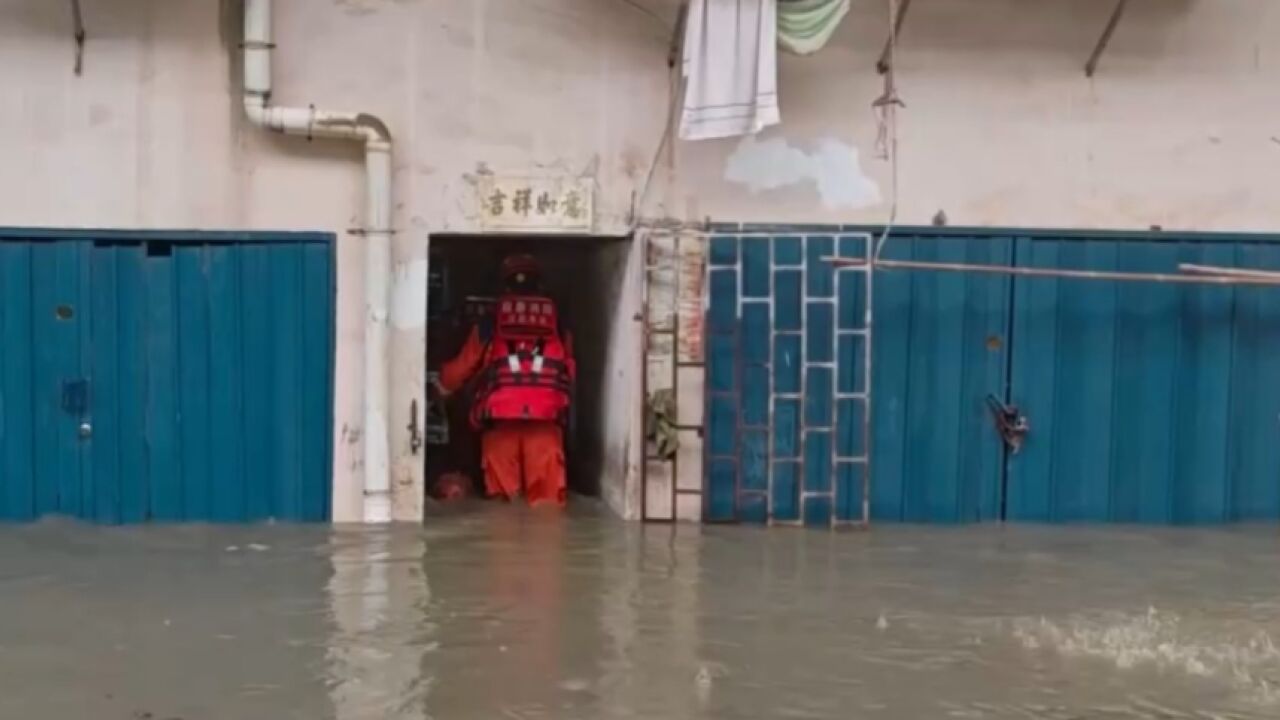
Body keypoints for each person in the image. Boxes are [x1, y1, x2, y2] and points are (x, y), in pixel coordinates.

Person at [432, 254, 575, 506]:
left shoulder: (489, 324)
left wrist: (441, 386)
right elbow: (569, 373)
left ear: (505, 286)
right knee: (547, 509)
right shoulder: (560, 327)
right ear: (539, 285)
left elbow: (459, 372)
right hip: (545, 426)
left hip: (500, 426)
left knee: (503, 511)